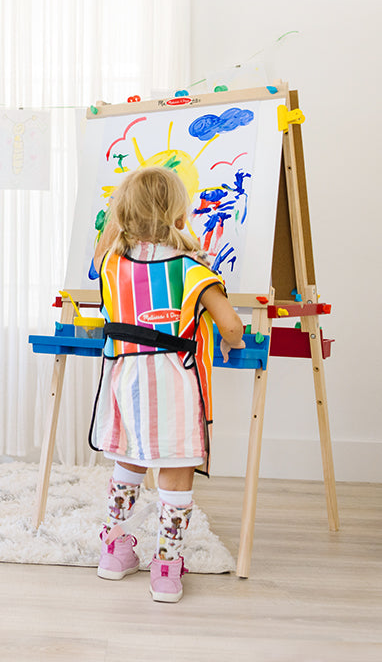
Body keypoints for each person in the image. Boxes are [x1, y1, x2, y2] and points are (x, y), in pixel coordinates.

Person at [88, 164, 244, 603]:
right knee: (174, 473)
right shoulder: (191, 270)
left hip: (124, 380)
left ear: (123, 214)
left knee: (129, 459)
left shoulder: (111, 266)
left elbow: (104, 248)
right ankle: (166, 571)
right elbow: (231, 327)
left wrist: (121, 213)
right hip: (172, 386)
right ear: (179, 217)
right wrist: (230, 340)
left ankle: (114, 553)